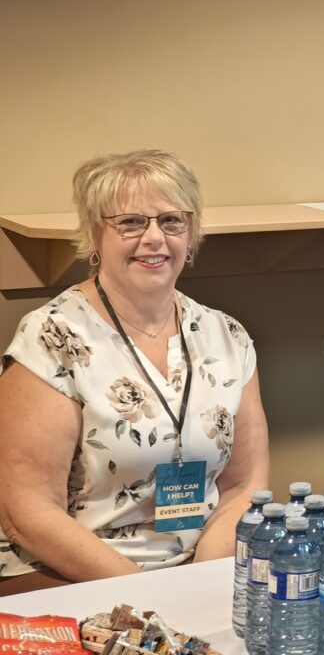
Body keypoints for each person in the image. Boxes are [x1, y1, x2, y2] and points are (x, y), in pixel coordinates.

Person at [0, 150, 269, 595]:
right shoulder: (52, 338)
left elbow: (245, 484)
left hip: (201, 568)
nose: (154, 238)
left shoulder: (228, 336)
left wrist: (204, 580)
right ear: (95, 234)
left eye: (171, 221)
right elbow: (28, 512)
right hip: (70, 575)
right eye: (130, 222)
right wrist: (151, 595)